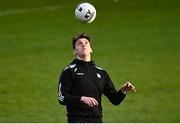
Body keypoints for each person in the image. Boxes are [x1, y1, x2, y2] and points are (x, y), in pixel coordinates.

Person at [58, 33, 136, 123]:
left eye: (86, 43)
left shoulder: (102, 73)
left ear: (91, 49)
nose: (83, 44)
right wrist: (81, 99)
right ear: (75, 51)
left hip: (97, 120)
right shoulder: (69, 71)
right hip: (77, 120)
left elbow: (115, 100)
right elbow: (62, 97)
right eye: (79, 43)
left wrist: (123, 91)